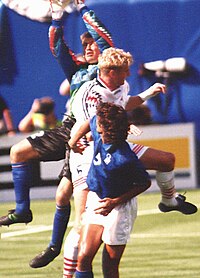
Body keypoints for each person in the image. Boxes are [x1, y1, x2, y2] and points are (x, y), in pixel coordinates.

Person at [63, 47, 197, 277]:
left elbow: (122, 106)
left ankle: (169, 200)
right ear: (111, 72)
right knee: (80, 227)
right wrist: (73, 140)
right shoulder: (92, 94)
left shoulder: (119, 87)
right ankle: (65, 266)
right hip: (90, 150)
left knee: (166, 160)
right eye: (124, 71)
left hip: (114, 146)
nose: (128, 75)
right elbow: (90, 124)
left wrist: (147, 94)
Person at [0, 0, 114, 269]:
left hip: (93, 135)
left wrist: (84, 8)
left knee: (67, 200)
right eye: (84, 45)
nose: (87, 48)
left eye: (91, 45)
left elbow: (104, 38)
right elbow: (57, 47)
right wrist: (56, 14)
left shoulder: (108, 65)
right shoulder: (77, 71)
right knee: (18, 152)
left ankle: (59, 249)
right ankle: (23, 210)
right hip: (69, 130)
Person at [68, 102, 151, 278]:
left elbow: (144, 183)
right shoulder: (99, 133)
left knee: (110, 266)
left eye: (98, 120)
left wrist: (115, 202)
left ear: (103, 128)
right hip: (97, 200)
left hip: (119, 207)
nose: (95, 121)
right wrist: (73, 141)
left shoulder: (124, 158)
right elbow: (88, 121)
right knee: (83, 257)